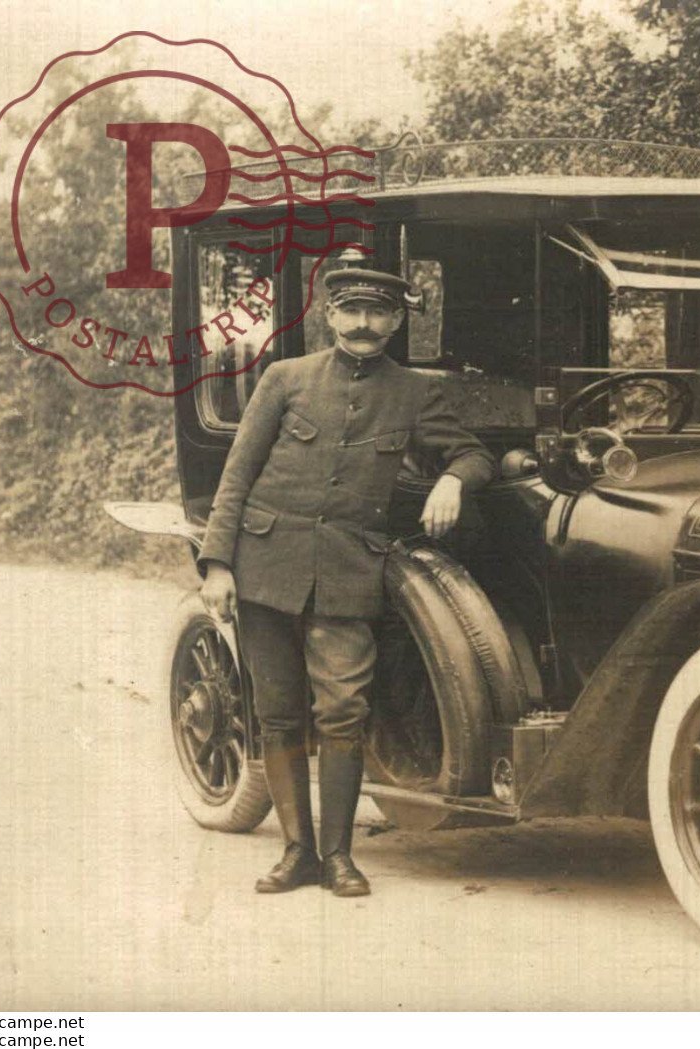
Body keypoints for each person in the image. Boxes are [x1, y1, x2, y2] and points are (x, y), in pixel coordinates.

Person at [197, 267, 497, 897]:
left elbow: (475, 454)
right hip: (264, 568)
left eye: (378, 313)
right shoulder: (285, 379)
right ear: (330, 316)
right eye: (353, 311)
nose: (364, 324)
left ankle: (338, 857)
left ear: (396, 321)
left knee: (342, 711)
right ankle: (296, 853)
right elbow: (236, 477)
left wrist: (453, 480)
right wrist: (219, 565)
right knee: (278, 716)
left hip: (349, 573)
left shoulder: (415, 393)